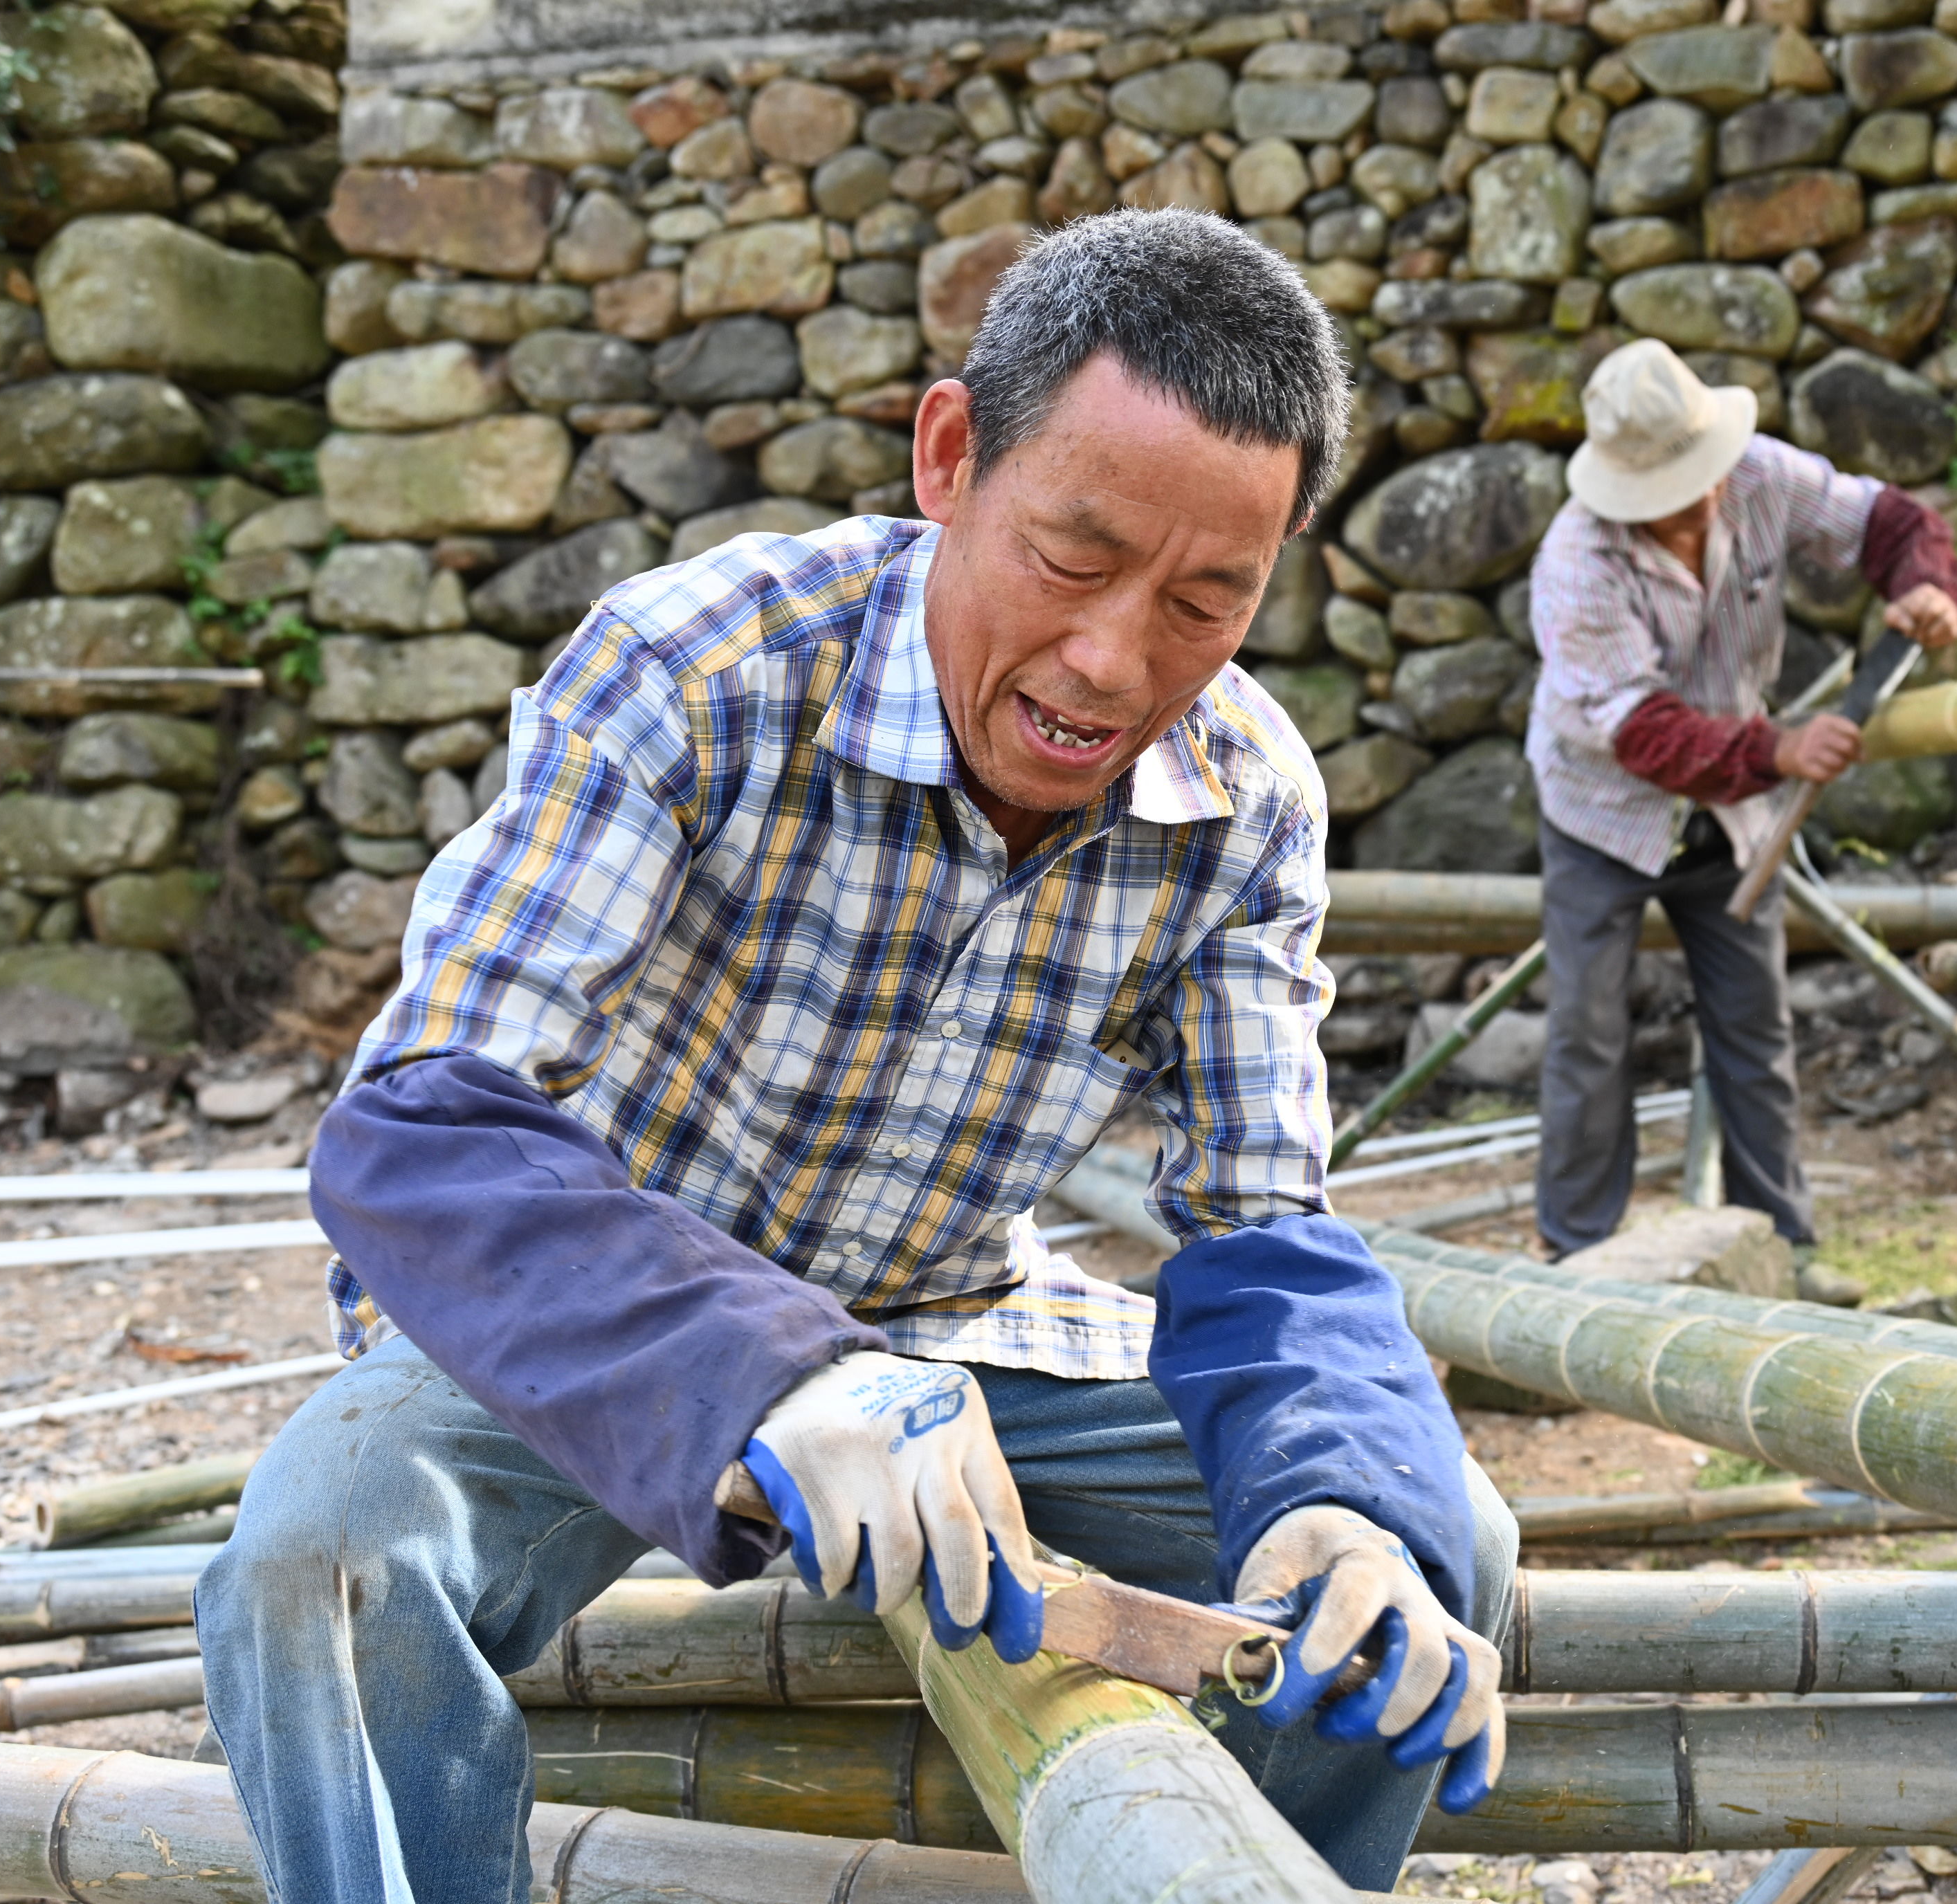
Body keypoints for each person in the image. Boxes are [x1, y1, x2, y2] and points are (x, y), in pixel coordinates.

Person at [195, 208, 1515, 1903]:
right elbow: (424, 1128)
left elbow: (1265, 1230)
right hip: (599, 1329)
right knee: (323, 1555)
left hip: (960, 1326)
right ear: (951, 456)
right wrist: (778, 1373)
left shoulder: (1246, 796)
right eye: (1072, 557)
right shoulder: (700, 666)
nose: (1115, 661)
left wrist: (1342, 1503)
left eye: (1207, 599)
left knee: (1428, 1546)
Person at [1526, 339, 1957, 1261]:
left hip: (1735, 808)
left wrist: (1926, 586)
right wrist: (1779, 747)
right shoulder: (1576, 560)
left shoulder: (1761, 474)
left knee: (1755, 1026)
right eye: (1670, 493)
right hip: (1603, 810)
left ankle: (1784, 1251)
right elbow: (1646, 734)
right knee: (1591, 1037)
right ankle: (1574, 1261)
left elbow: (1891, 523)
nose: (1697, 501)